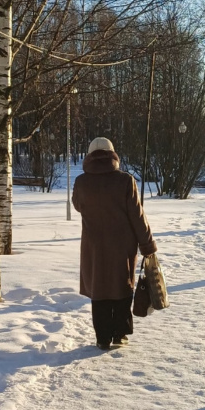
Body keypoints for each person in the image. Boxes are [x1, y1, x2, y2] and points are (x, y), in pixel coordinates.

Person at [72, 137, 157, 350]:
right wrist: (147, 245)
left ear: (89, 156)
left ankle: (102, 337)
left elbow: (78, 206)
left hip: (93, 246)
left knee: (99, 289)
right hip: (122, 245)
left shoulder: (81, 182)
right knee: (121, 286)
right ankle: (120, 333)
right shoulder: (125, 180)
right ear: (112, 155)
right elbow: (137, 216)